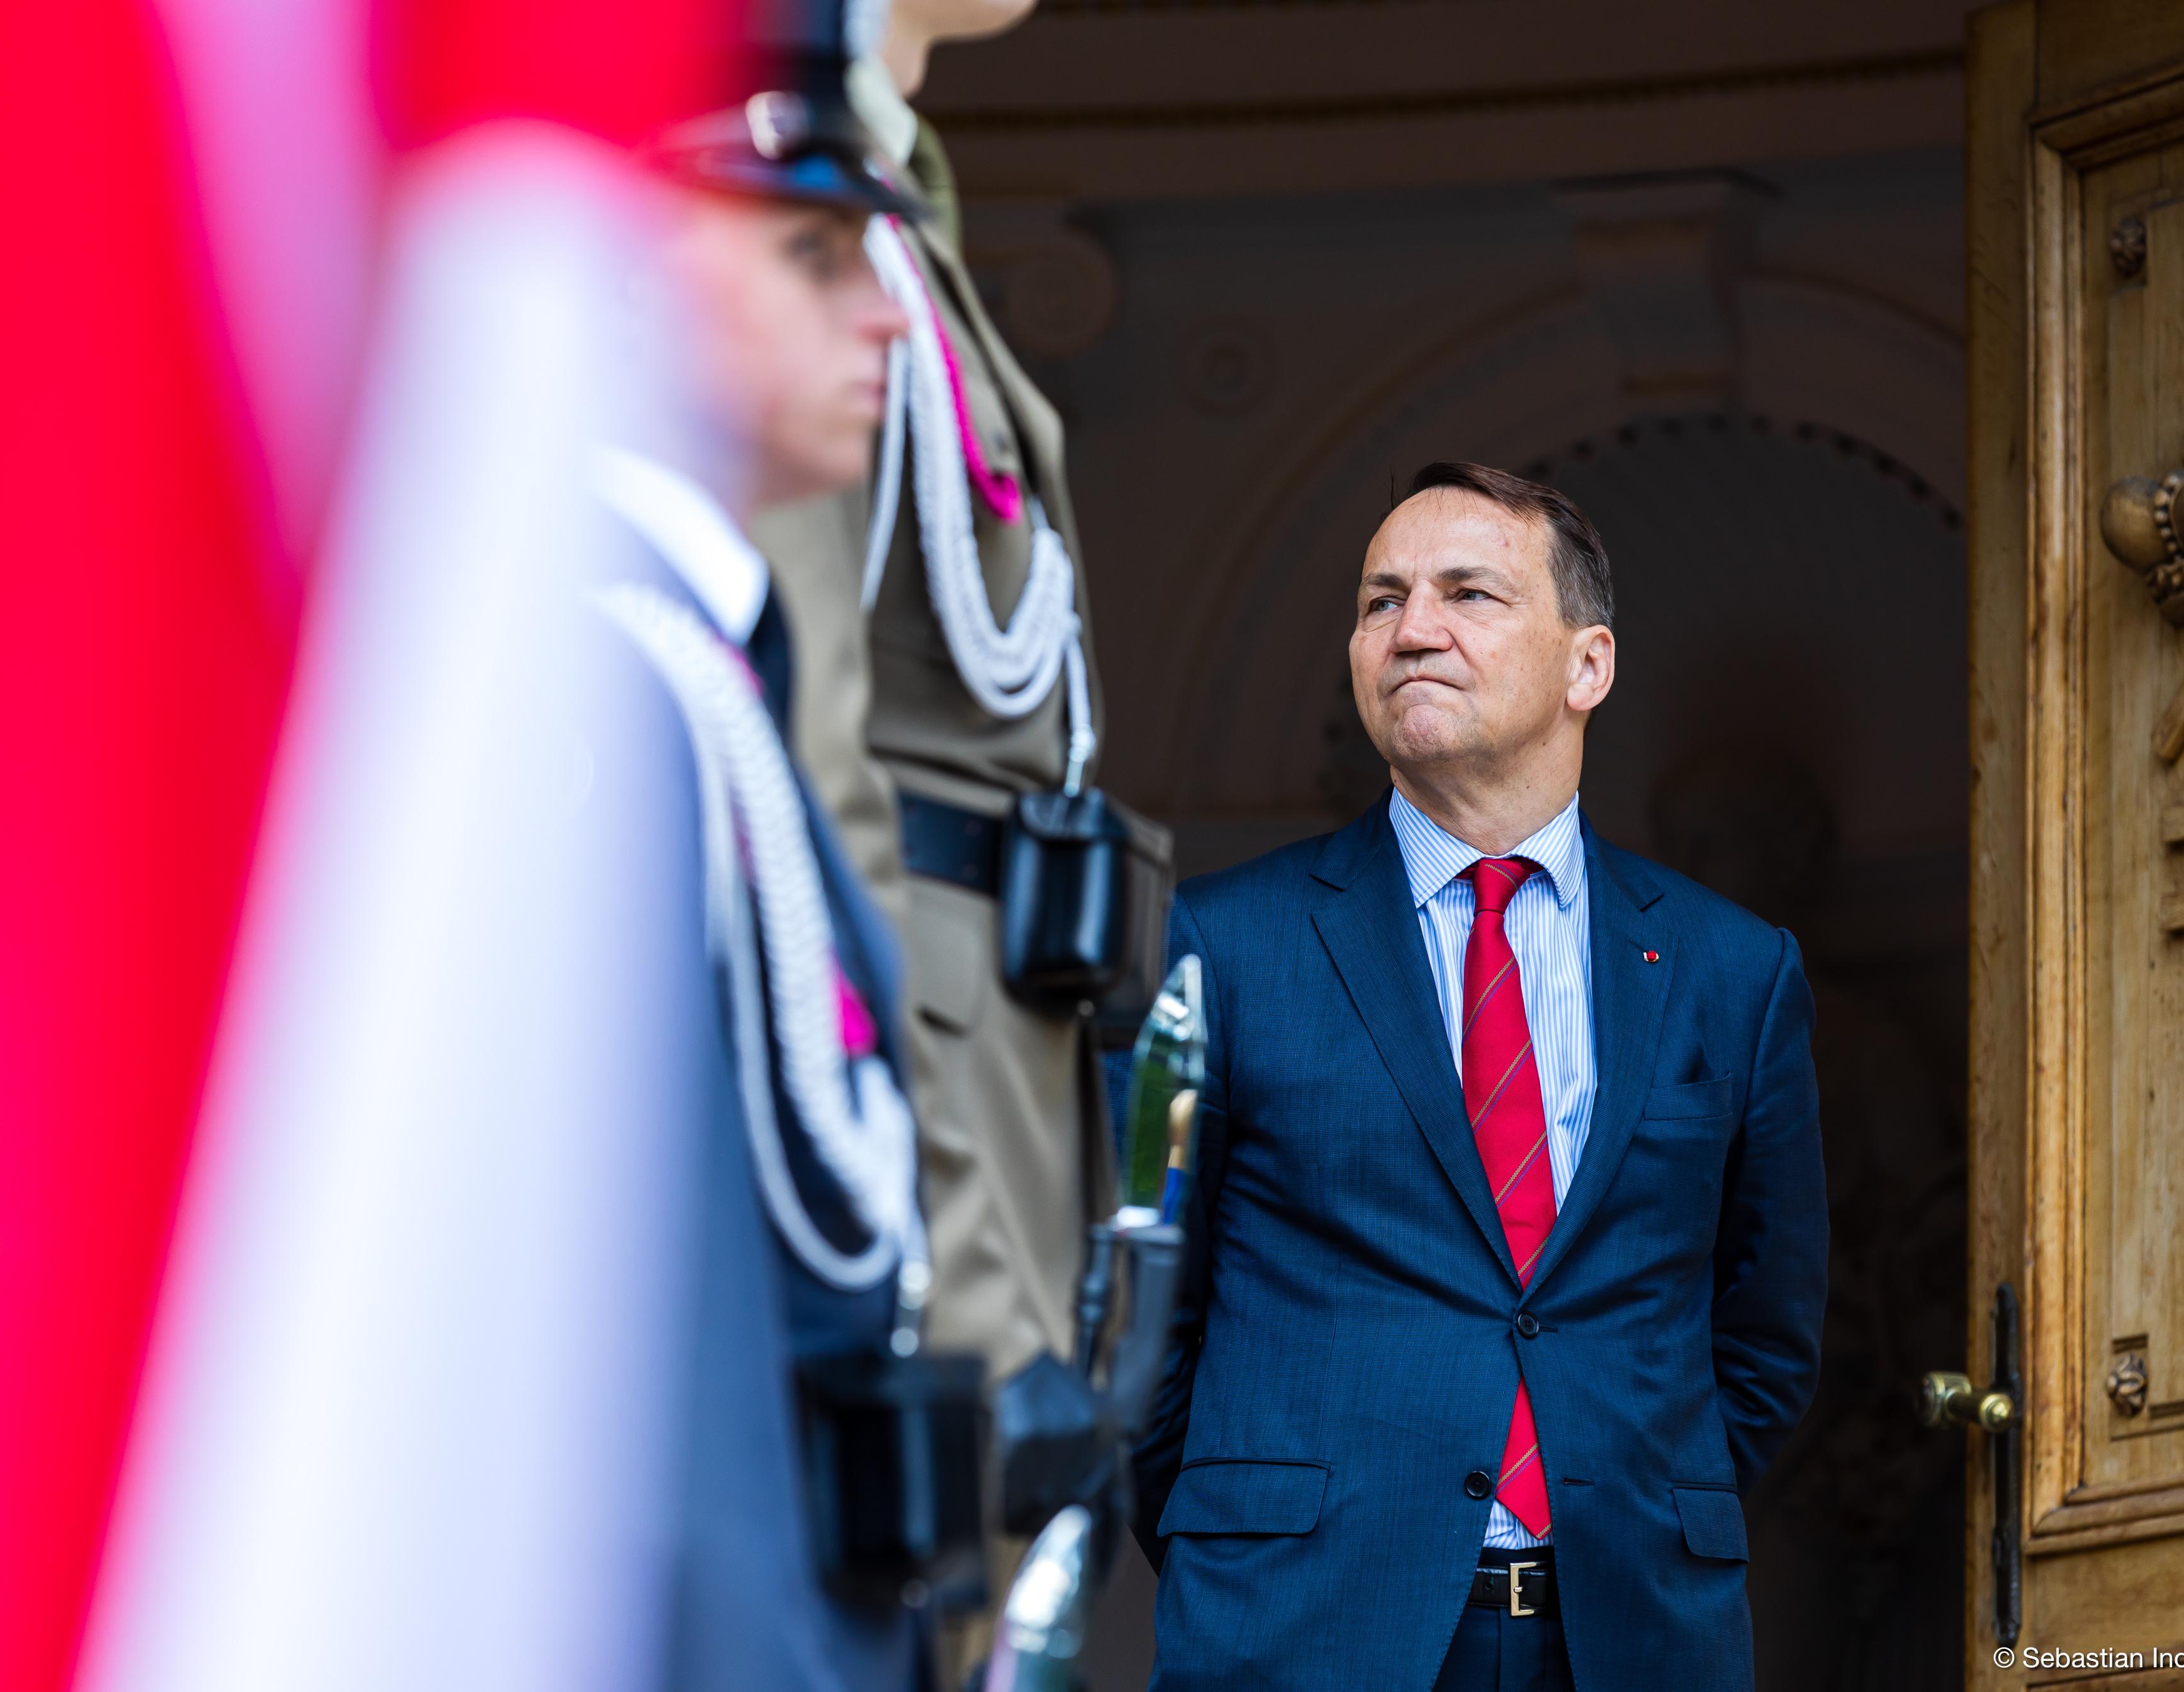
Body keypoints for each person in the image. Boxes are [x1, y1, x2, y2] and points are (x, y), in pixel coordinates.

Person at [1131, 463, 1827, 1692]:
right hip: (1300, 1627)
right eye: (1380, 600)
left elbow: (1765, 1330)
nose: (1412, 629)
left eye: (1468, 593)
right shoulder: (1224, 943)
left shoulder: (1732, 968)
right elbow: (1140, 1309)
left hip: (1629, 1632)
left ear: (1586, 666)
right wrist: (1244, 1544)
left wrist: (1640, 1507)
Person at [751, 0, 1168, 1667]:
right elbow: (805, 766)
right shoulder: (795, 218)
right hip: (921, 1091)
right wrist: (970, 1291)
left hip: (1009, 1068)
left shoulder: (900, 208)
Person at [602, 34, 965, 1692]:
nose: (887, 316)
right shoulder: (605, 686)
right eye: (812, 254)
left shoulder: (693, 672)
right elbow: (633, 1340)